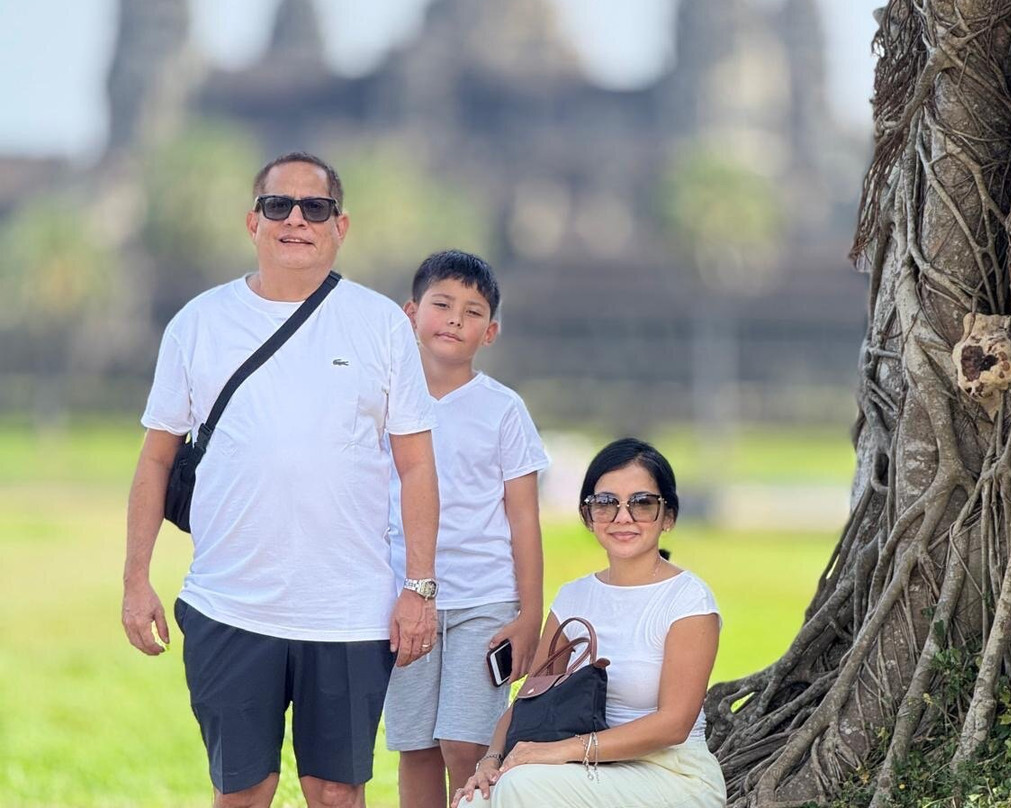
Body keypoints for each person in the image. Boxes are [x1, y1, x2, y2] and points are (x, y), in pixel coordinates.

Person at [121, 151, 440, 808]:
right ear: (254, 222)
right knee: (243, 792)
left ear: (339, 226)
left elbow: (416, 465)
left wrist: (419, 588)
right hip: (230, 605)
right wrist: (135, 580)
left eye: (314, 208)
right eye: (278, 206)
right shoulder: (199, 323)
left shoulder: (381, 323)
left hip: (350, 610)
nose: (296, 219)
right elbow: (155, 459)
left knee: (335, 793)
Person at [453, 438, 728, 808]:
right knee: (473, 802)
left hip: (673, 775)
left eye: (642, 503)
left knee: (523, 784)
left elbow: (674, 725)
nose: (623, 517)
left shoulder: (688, 600)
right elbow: (529, 700)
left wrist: (562, 751)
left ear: (668, 517)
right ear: (588, 515)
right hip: (588, 770)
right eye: (606, 503)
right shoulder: (574, 597)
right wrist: (490, 761)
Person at [383, 249, 549, 807]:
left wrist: (529, 615)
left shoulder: (503, 409)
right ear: (410, 313)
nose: (455, 319)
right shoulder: (384, 405)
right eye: (442, 304)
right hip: (406, 600)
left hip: (486, 601)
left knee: (466, 744)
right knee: (415, 745)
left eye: (473, 312)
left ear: (490, 332)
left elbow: (524, 517)